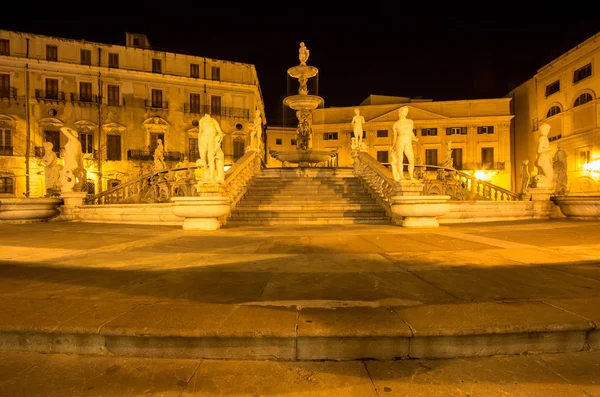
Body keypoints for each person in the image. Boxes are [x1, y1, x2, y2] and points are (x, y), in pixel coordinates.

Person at [391, 106, 418, 181]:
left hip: (408, 140)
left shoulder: (410, 121)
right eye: (404, 111)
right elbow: (395, 137)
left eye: (407, 111)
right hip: (400, 140)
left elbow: (411, 131)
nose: (406, 112)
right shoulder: (396, 124)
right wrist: (393, 146)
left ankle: (411, 176)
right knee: (400, 159)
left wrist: (414, 138)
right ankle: (401, 176)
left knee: (411, 159)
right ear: (400, 112)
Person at [197, 113, 224, 182]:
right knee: (206, 158)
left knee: (210, 158)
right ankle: (206, 177)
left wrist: (219, 139)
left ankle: (211, 177)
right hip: (205, 139)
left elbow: (220, 132)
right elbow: (200, 131)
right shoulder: (205, 120)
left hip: (209, 139)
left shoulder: (210, 121)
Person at [59, 127, 86, 192]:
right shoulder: (78, 144)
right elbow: (80, 157)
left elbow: (62, 129)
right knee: (74, 184)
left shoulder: (73, 140)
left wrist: (70, 129)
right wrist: (81, 168)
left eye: (70, 134)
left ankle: (68, 194)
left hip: (69, 163)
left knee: (64, 180)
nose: (69, 135)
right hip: (74, 164)